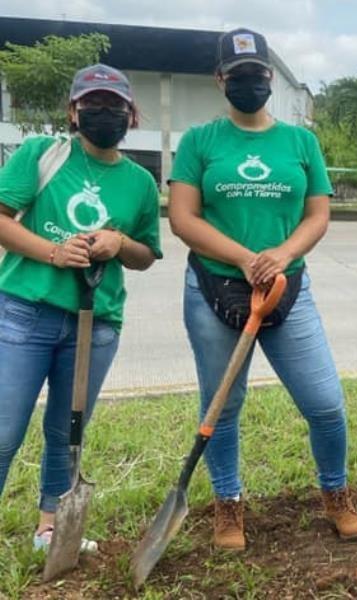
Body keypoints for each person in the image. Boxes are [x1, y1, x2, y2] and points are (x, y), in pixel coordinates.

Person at [167, 28, 357, 550]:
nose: (248, 82)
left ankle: (336, 492)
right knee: (221, 405)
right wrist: (243, 257)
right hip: (214, 288)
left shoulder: (300, 142)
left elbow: (317, 214)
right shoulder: (199, 142)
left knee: (325, 403)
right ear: (220, 81)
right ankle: (228, 504)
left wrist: (282, 254)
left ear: (271, 77)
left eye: (256, 73)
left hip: (287, 287)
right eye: (237, 76)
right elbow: (183, 217)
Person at [0, 64, 161, 551]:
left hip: (97, 322)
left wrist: (119, 241)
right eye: (93, 105)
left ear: (131, 115)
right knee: (5, 427)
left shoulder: (140, 183)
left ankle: (51, 526)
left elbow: (147, 256)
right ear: (73, 111)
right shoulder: (41, 154)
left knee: (66, 430)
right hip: (25, 313)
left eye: (115, 106)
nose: (104, 114)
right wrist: (52, 252)